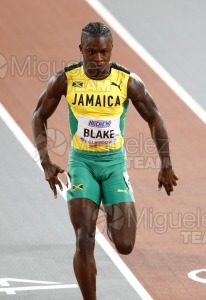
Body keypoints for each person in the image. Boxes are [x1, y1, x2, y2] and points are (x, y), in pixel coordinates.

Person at [32, 22, 178, 300]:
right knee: (84, 237)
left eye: (103, 53)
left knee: (124, 244)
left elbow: (154, 117)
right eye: (91, 52)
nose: (98, 59)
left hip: (113, 166)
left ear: (111, 50)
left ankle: (108, 205)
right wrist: (45, 160)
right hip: (81, 164)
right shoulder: (65, 80)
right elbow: (39, 114)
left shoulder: (127, 82)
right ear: (81, 50)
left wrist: (166, 164)